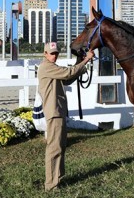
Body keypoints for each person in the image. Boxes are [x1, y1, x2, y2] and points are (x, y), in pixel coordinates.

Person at [37, 42, 94, 192]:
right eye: (51, 53)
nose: (54, 55)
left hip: (58, 111)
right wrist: (86, 60)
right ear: (45, 53)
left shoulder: (52, 68)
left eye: (56, 53)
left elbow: (68, 78)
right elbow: (68, 73)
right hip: (54, 112)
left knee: (60, 146)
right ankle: (51, 184)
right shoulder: (46, 66)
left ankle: (58, 178)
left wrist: (79, 62)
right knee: (54, 148)